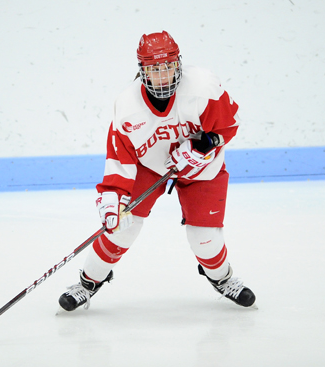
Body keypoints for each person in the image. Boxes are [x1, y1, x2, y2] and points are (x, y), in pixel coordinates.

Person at [58, 30, 256, 312]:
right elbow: (120, 158)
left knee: (205, 240)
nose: (162, 76)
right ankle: (88, 283)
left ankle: (222, 280)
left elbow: (228, 126)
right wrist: (112, 199)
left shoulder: (203, 87)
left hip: (202, 170)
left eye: (168, 66)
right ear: (142, 71)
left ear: (178, 64)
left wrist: (204, 145)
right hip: (149, 166)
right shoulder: (127, 107)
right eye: (154, 69)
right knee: (121, 228)